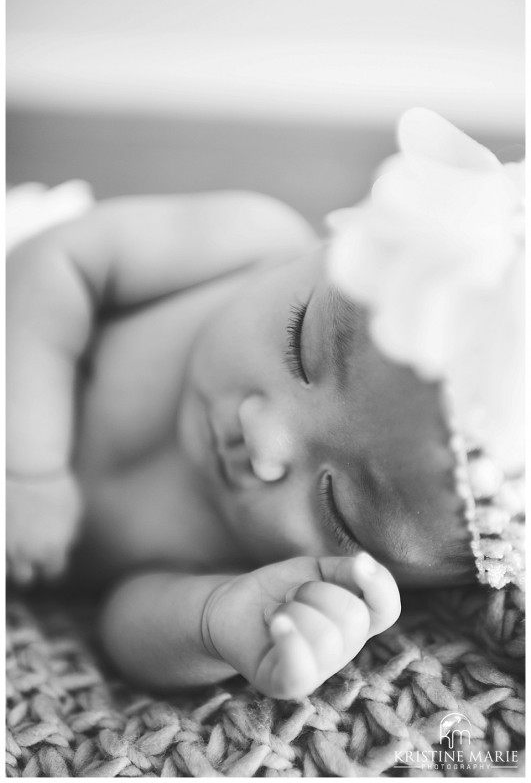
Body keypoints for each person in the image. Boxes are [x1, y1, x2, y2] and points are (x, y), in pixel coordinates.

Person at [7, 181, 477, 701]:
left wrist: (215, 621)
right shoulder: (248, 244)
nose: (264, 439)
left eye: (337, 508)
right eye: (299, 346)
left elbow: (121, 620)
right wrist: (28, 468)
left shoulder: (259, 557)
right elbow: (51, 265)